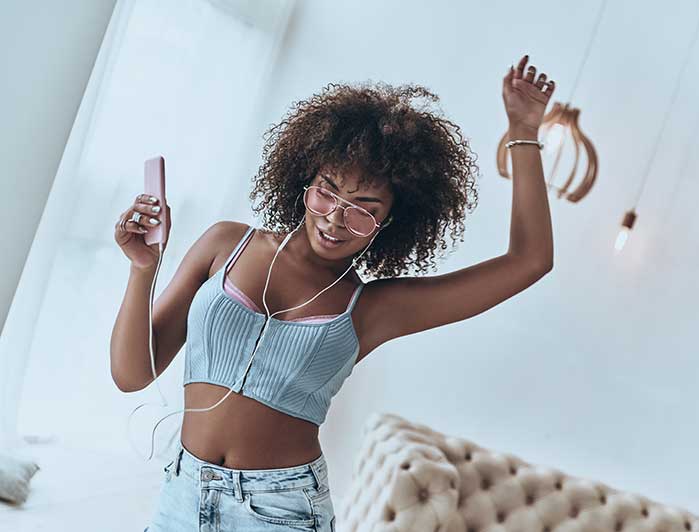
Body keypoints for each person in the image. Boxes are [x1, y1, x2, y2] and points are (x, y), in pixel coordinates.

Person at [111, 53, 555, 531]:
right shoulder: (226, 243)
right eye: (328, 190)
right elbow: (132, 375)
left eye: (364, 208)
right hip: (183, 489)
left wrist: (524, 132)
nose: (335, 218)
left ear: (389, 222)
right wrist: (142, 271)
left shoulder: (374, 309)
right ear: (305, 179)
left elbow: (530, 261)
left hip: (280, 511)